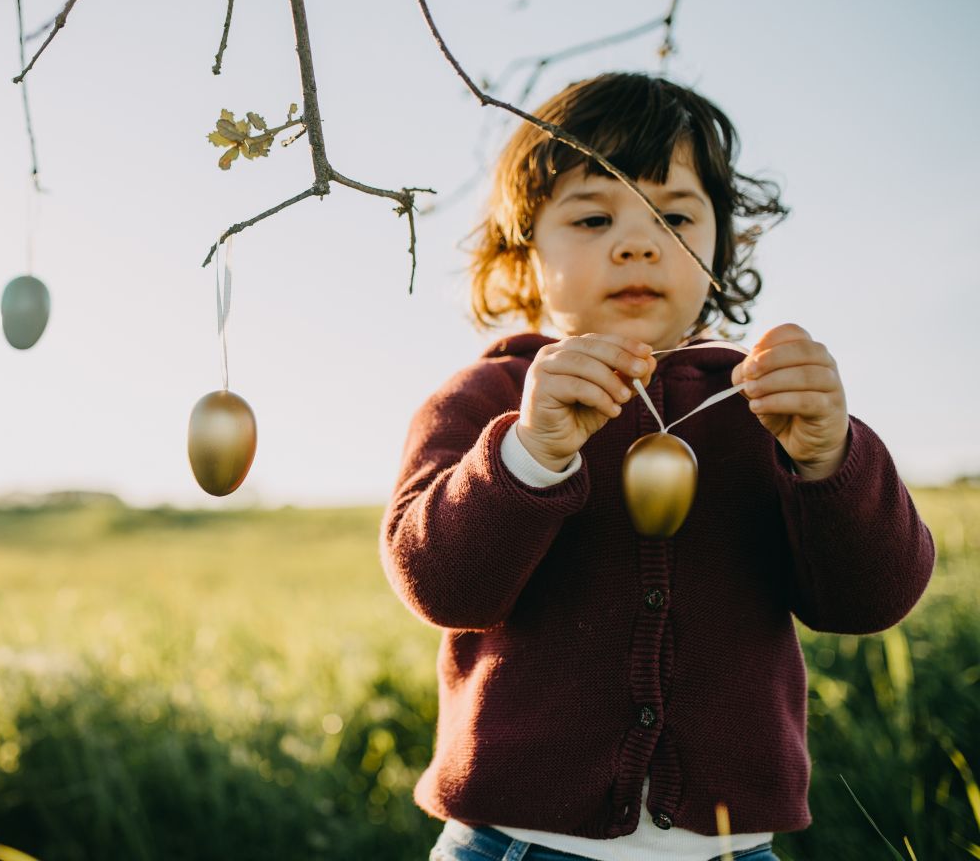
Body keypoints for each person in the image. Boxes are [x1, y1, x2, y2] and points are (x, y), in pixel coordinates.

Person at [380, 73, 934, 861]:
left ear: (721, 248)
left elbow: (868, 600)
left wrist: (830, 456)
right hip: (514, 845)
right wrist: (528, 455)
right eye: (593, 216)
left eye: (674, 217)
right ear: (525, 251)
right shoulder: (492, 397)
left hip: (733, 850)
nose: (638, 243)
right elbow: (441, 586)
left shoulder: (765, 406)